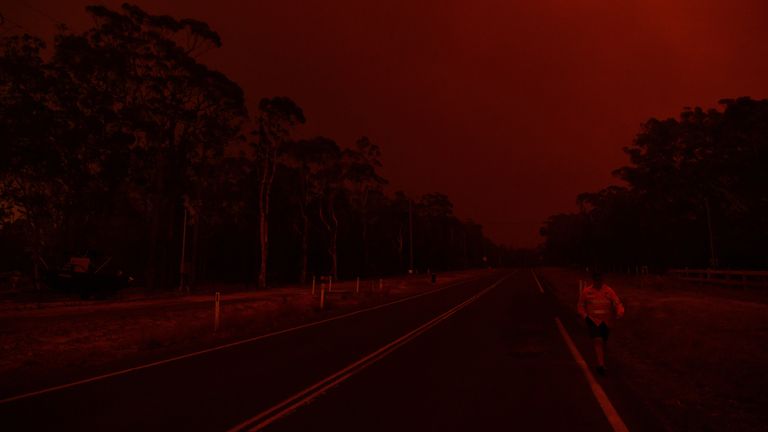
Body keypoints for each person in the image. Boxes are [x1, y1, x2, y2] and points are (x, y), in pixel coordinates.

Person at [577, 272, 624, 375]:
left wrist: (620, 312)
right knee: (598, 340)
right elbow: (580, 306)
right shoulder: (586, 291)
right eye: (596, 280)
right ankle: (600, 366)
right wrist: (585, 317)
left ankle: (601, 359)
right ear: (593, 280)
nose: (599, 282)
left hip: (606, 322)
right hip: (593, 321)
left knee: (603, 342)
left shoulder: (609, 291)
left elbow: (617, 303)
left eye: (600, 280)